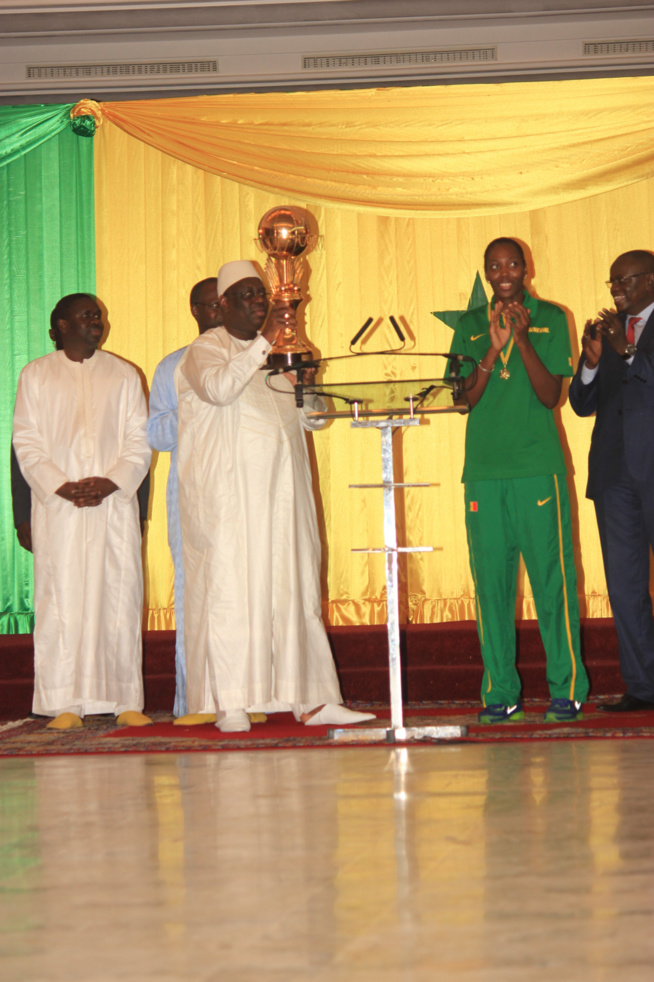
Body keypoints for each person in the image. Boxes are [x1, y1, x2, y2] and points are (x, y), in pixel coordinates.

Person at [175, 260, 375, 732]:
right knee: (231, 594)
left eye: (261, 294)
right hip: (230, 503)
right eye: (245, 295)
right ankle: (232, 703)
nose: (257, 301)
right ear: (222, 304)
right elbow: (221, 390)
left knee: (295, 590)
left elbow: (316, 419)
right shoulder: (205, 349)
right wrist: (268, 341)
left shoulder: (279, 351)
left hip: (285, 497)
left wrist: (306, 379)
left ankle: (313, 699)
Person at [449, 237, 589, 723]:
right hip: (484, 473)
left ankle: (566, 688)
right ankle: (501, 691)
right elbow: (463, 399)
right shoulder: (469, 325)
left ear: (526, 266)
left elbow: (552, 395)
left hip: (536, 470)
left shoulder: (551, 316)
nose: (504, 271)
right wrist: (491, 350)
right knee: (491, 586)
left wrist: (523, 340)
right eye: (494, 265)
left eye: (512, 263)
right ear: (485, 271)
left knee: (553, 581)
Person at [12, 294, 152, 730]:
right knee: (62, 600)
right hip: (60, 509)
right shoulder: (36, 374)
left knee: (119, 597)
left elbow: (139, 440)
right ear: (60, 325)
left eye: (100, 316)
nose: (99, 322)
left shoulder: (124, 374)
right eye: (89, 316)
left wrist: (111, 482)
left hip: (113, 506)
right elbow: (26, 443)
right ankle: (63, 703)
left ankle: (123, 698)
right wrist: (62, 486)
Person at [569, 250, 654, 712]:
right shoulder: (608, 333)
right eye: (612, 282)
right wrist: (592, 358)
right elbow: (582, 403)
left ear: (651, 281)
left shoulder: (631, 338)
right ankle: (643, 687)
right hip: (614, 474)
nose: (617, 289)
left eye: (625, 280)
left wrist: (629, 351)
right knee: (624, 587)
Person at [147, 277, 222, 718]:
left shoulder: (253, 360)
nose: (219, 312)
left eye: (224, 303)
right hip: (191, 493)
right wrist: (199, 406)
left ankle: (248, 696)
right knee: (195, 592)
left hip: (243, 493)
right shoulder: (172, 366)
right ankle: (195, 699)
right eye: (211, 306)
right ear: (196, 310)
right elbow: (156, 433)